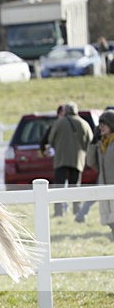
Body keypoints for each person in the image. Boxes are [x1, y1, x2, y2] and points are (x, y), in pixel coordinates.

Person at [46, 101, 93, 217]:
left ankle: (59, 211)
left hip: (60, 160)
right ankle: (77, 210)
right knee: (75, 187)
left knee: (59, 187)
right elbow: (90, 142)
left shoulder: (59, 122)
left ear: (66, 111)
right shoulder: (84, 123)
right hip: (77, 160)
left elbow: (50, 139)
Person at [85, 111, 114, 239]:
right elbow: (91, 162)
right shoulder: (99, 144)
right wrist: (92, 143)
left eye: (104, 124)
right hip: (104, 184)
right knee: (109, 220)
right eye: (100, 124)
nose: (101, 127)